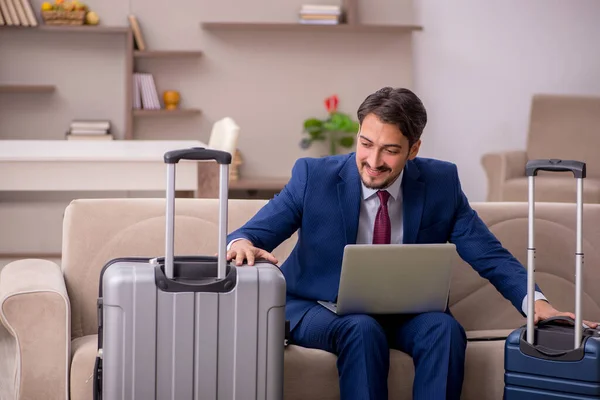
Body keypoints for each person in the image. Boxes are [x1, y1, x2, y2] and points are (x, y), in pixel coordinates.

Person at [225, 87, 597, 400]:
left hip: (406, 314)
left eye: (390, 150)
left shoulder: (441, 182)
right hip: (318, 307)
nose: (373, 161)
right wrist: (241, 243)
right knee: (361, 327)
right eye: (366, 143)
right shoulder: (313, 177)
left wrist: (537, 303)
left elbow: (489, 254)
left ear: (413, 149)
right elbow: (251, 233)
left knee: (444, 330)